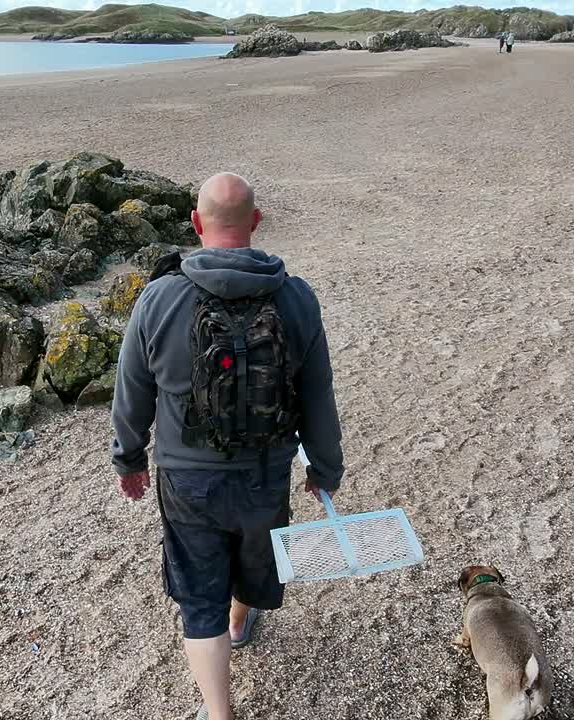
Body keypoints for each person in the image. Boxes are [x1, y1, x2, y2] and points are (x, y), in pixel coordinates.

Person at [111, 173, 345, 720]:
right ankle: (241, 620)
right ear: (256, 223)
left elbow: (132, 390)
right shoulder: (295, 296)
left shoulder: (159, 298)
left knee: (199, 593)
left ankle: (220, 713)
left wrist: (128, 458)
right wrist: (326, 468)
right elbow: (318, 394)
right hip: (265, 472)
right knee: (253, 552)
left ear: (196, 224)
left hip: (187, 476)